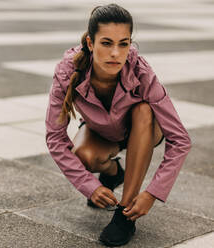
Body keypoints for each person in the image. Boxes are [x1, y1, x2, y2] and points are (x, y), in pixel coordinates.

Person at [45, 3, 191, 247]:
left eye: (123, 43)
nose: (116, 53)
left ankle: (125, 214)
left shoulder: (141, 72)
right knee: (84, 156)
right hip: (101, 131)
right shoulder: (68, 71)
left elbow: (180, 140)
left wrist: (153, 193)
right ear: (91, 44)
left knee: (144, 110)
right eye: (106, 43)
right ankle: (114, 173)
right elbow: (55, 137)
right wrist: (89, 185)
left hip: (143, 130)